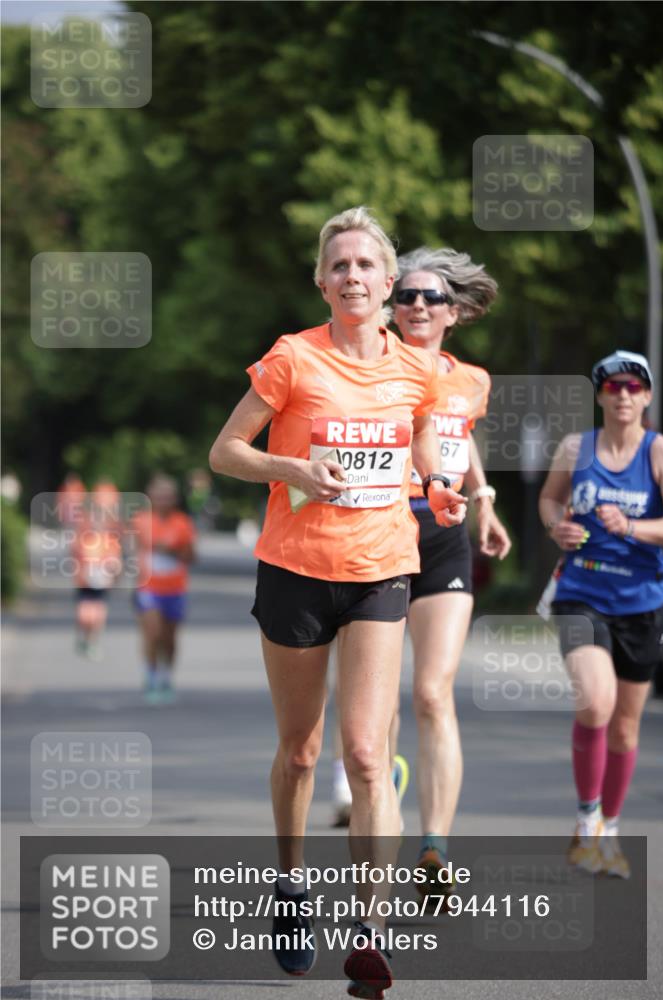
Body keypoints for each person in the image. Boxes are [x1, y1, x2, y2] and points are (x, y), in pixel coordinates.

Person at [209, 207, 466, 998]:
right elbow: (225, 452)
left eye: (365, 266)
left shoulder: (416, 368)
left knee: (365, 754)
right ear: (322, 282)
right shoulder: (292, 358)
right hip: (294, 570)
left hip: (382, 568)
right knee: (301, 751)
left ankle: (369, 933)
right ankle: (291, 886)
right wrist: (290, 469)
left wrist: (436, 484)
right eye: (339, 265)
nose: (353, 276)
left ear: (388, 284)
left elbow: (419, 435)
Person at [389, 246, 511, 905]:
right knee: (378, 699)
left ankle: (433, 845)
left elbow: (457, 437)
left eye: (430, 296)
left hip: (443, 536)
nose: (416, 305)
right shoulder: (372, 366)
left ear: (453, 312)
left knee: (433, 694)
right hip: (380, 533)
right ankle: (377, 793)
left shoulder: (471, 380)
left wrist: (484, 500)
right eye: (405, 295)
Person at [539, 350, 663, 879]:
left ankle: (608, 830)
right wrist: (557, 527)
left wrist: (632, 528)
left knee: (625, 728)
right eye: (612, 387)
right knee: (596, 702)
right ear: (600, 396)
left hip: (642, 601)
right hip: (581, 592)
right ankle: (587, 818)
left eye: (633, 386)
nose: (623, 395)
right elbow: (550, 501)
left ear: (647, 395)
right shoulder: (577, 447)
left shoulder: (659, 452)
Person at [132, 475, 196, 703]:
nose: (163, 500)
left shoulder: (182, 523)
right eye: (159, 496)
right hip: (148, 588)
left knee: (169, 638)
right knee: (153, 632)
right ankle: (150, 676)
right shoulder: (140, 521)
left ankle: (166, 676)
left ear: (174, 499)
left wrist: (170, 551)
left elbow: (191, 557)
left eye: (167, 496)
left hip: (175, 589)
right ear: (150, 497)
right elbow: (130, 552)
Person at [72, 480, 123, 660]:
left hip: (101, 582)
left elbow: (115, 561)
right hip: (84, 581)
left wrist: (115, 574)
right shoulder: (83, 535)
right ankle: (84, 636)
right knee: (84, 614)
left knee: (98, 613)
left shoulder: (110, 539)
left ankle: (93, 641)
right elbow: (75, 553)